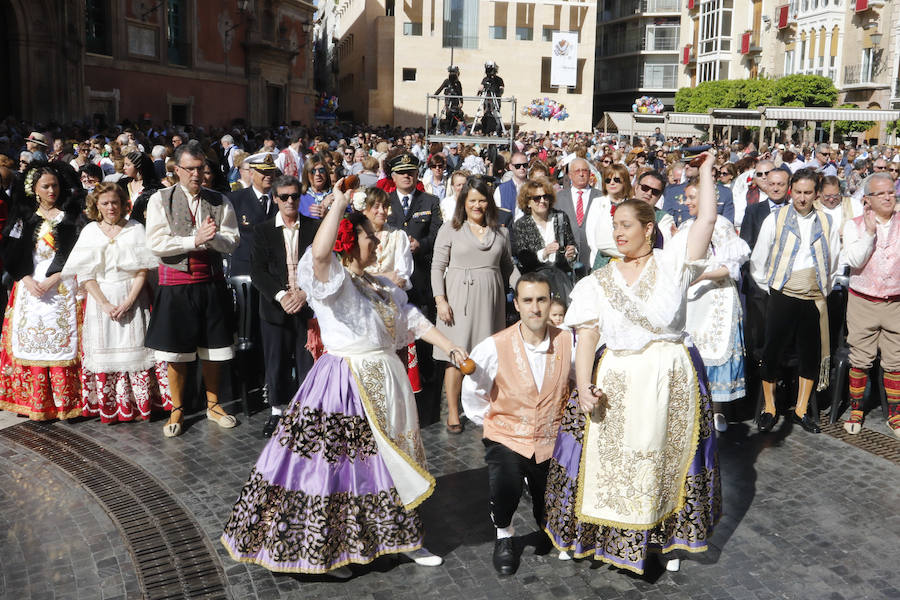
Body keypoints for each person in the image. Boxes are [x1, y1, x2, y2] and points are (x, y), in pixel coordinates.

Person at [221, 180, 465, 576]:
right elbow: (319, 255)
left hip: (386, 381)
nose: (378, 243)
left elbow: (413, 321)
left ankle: (403, 538)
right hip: (344, 383)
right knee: (337, 469)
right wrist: (337, 203)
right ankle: (329, 549)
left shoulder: (381, 286)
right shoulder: (333, 284)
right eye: (370, 237)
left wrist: (450, 346)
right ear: (351, 242)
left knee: (390, 464)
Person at [543, 154, 722, 575]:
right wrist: (583, 387)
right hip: (619, 381)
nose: (618, 233)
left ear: (649, 228)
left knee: (666, 460)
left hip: (671, 379)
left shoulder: (674, 262)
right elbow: (585, 336)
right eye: (614, 225)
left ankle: (668, 540)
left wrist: (707, 173)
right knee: (614, 464)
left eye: (626, 225)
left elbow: (706, 223)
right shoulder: (596, 282)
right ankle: (604, 537)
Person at [461, 272, 574, 575]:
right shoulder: (493, 346)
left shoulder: (567, 341)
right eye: (528, 300)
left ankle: (546, 523)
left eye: (541, 299)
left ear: (551, 302)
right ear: (518, 305)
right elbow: (473, 393)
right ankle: (504, 536)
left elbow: (577, 382)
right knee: (506, 483)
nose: (535, 308)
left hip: (551, 439)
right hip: (507, 435)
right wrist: (498, 424)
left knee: (545, 500)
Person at [143, 142, 241, 437]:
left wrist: (211, 240)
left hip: (210, 283)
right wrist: (193, 240)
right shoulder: (160, 199)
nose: (197, 175)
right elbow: (156, 243)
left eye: (201, 169)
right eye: (191, 169)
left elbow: (233, 239)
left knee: (214, 350)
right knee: (177, 353)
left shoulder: (220, 199)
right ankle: (178, 408)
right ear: (176, 170)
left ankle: (213, 404)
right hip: (176, 286)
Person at [61, 183, 170, 422]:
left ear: (123, 204)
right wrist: (104, 304)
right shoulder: (90, 231)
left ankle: (141, 404)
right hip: (101, 301)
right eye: (105, 203)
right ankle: (112, 407)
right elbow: (85, 274)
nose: (111, 207)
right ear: (96, 206)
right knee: (105, 353)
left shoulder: (135, 229)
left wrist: (130, 300)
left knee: (137, 353)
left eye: (115, 203)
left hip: (132, 296)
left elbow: (143, 269)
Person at [749, 168, 841, 434]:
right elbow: (759, 259)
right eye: (798, 192)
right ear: (791, 191)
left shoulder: (827, 221)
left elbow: (833, 260)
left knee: (809, 354)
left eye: (808, 193)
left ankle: (801, 410)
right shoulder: (775, 219)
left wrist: (823, 287)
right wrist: (773, 287)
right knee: (773, 351)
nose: (802, 198)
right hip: (782, 293)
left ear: (816, 194)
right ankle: (769, 407)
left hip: (814, 296)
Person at [432, 176, 514, 433]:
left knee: (489, 357)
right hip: (458, 300)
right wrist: (440, 300)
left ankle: (485, 407)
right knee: (456, 356)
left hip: (491, 302)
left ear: (489, 202)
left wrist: (525, 291)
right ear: (463, 203)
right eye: (472, 201)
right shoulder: (450, 229)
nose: (477, 206)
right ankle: (454, 412)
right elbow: (437, 266)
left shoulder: (501, 231)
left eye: (482, 200)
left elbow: (508, 268)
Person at [0, 163, 82, 419]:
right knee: (29, 338)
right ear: (33, 189)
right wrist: (24, 279)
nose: (51, 191)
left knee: (64, 339)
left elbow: (78, 254)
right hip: (29, 285)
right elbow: (11, 252)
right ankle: (33, 400)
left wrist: (55, 278)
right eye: (45, 186)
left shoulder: (70, 216)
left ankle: (64, 401)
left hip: (62, 283)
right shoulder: (24, 218)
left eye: (54, 185)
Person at [675, 178, 750, 432]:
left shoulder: (723, 226)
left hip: (716, 295)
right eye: (686, 198)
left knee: (716, 346)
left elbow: (731, 266)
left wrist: (704, 276)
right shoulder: (685, 225)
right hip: (692, 297)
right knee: (692, 347)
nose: (687, 203)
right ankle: (693, 407)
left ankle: (718, 410)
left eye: (692, 197)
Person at [250, 175, 319, 439]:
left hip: (307, 306)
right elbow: (258, 271)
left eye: (295, 196)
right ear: (276, 199)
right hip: (275, 308)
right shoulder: (263, 230)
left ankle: (307, 412)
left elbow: (324, 267)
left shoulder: (315, 228)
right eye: (285, 197)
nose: (290, 201)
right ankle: (278, 411)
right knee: (276, 362)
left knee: (307, 363)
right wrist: (282, 296)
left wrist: (304, 294)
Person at [840, 173, 900, 437]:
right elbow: (854, 260)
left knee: (895, 360)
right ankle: (856, 408)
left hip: (896, 302)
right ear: (867, 199)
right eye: (881, 194)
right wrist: (870, 233)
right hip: (863, 300)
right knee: (860, 357)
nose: (888, 197)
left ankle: (895, 414)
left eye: (891, 192)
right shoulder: (854, 225)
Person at [386, 152, 444, 423]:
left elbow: (438, 234)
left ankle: (425, 406)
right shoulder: (384, 203)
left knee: (423, 346)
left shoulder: (430, 202)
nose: (407, 176)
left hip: (421, 283)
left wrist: (422, 246)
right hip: (392, 286)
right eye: (401, 172)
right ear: (393, 176)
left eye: (411, 171)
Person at [510, 178, 577, 303]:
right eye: (537, 198)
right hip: (536, 282)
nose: (542, 201)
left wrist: (572, 252)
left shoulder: (561, 217)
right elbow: (523, 259)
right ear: (528, 202)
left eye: (545, 197)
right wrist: (544, 252)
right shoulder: (521, 224)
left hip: (561, 280)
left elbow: (571, 244)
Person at [228, 152, 279, 276]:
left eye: (271, 172)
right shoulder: (236, 199)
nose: (268, 176)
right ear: (251, 173)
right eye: (264, 172)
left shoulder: (282, 199)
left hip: (273, 270)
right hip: (245, 269)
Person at [555, 158, 601, 278]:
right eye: (577, 171)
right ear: (570, 175)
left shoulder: (601, 198)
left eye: (584, 170)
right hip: (567, 263)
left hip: (593, 261)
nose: (581, 174)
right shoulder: (559, 198)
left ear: (590, 173)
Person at [585, 162, 631, 269]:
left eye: (617, 180)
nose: (612, 183)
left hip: (627, 261)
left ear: (625, 182)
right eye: (608, 180)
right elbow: (591, 235)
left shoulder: (632, 204)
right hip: (601, 260)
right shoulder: (597, 203)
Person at [121, 151, 164, 225]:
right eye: (124, 164)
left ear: (138, 167)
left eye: (128, 165)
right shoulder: (122, 185)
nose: (124, 168)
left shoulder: (154, 188)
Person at [494, 151, 530, 225]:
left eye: (525, 165)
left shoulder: (534, 188)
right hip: (508, 232)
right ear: (510, 167)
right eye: (518, 166)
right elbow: (497, 216)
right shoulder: (501, 190)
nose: (522, 168)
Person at [299, 154, 334, 219]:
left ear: (326, 173)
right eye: (313, 171)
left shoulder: (335, 195)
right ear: (307, 174)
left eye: (321, 170)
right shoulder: (299, 197)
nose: (318, 174)